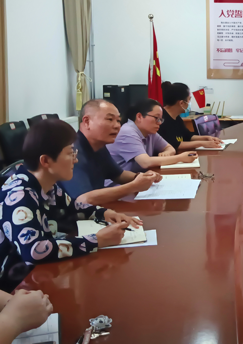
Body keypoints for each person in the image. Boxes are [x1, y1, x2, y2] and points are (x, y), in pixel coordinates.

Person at [0, 120, 141, 292]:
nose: (75, 160)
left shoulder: (46, 183)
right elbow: (34, 251)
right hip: (14, 286)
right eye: (70, 153)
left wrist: (105, 213)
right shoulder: (20, 195)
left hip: (41, 275)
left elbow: (73, 206)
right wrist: (97, 240)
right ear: (46, 161)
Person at [60, 99, 162, 205]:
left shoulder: (99, 146)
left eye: (118, 120)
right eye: (110, 119)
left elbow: (119, 175)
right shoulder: (72, 152)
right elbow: (83, 200)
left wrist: (141, 177)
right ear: (87, 121)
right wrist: (134, 186)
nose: (117, 126)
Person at [107, 99, 198, 174]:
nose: (159, 123)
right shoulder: (127, 132)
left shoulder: (150, 132)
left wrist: (166, 153)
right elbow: (145, 162)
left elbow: (170, 148)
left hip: (139, 179)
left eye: (161, 119)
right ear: (139, 117)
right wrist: (180, 158)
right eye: (156, 118)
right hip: (119, 186)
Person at [159, 82, 223, 151]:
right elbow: (175, 145)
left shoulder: (176, 117)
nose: (190, 103)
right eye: (189, 99)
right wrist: (203, 143)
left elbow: (188, 136)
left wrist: (207, 138)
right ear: (181, 103)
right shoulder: (161, 120)